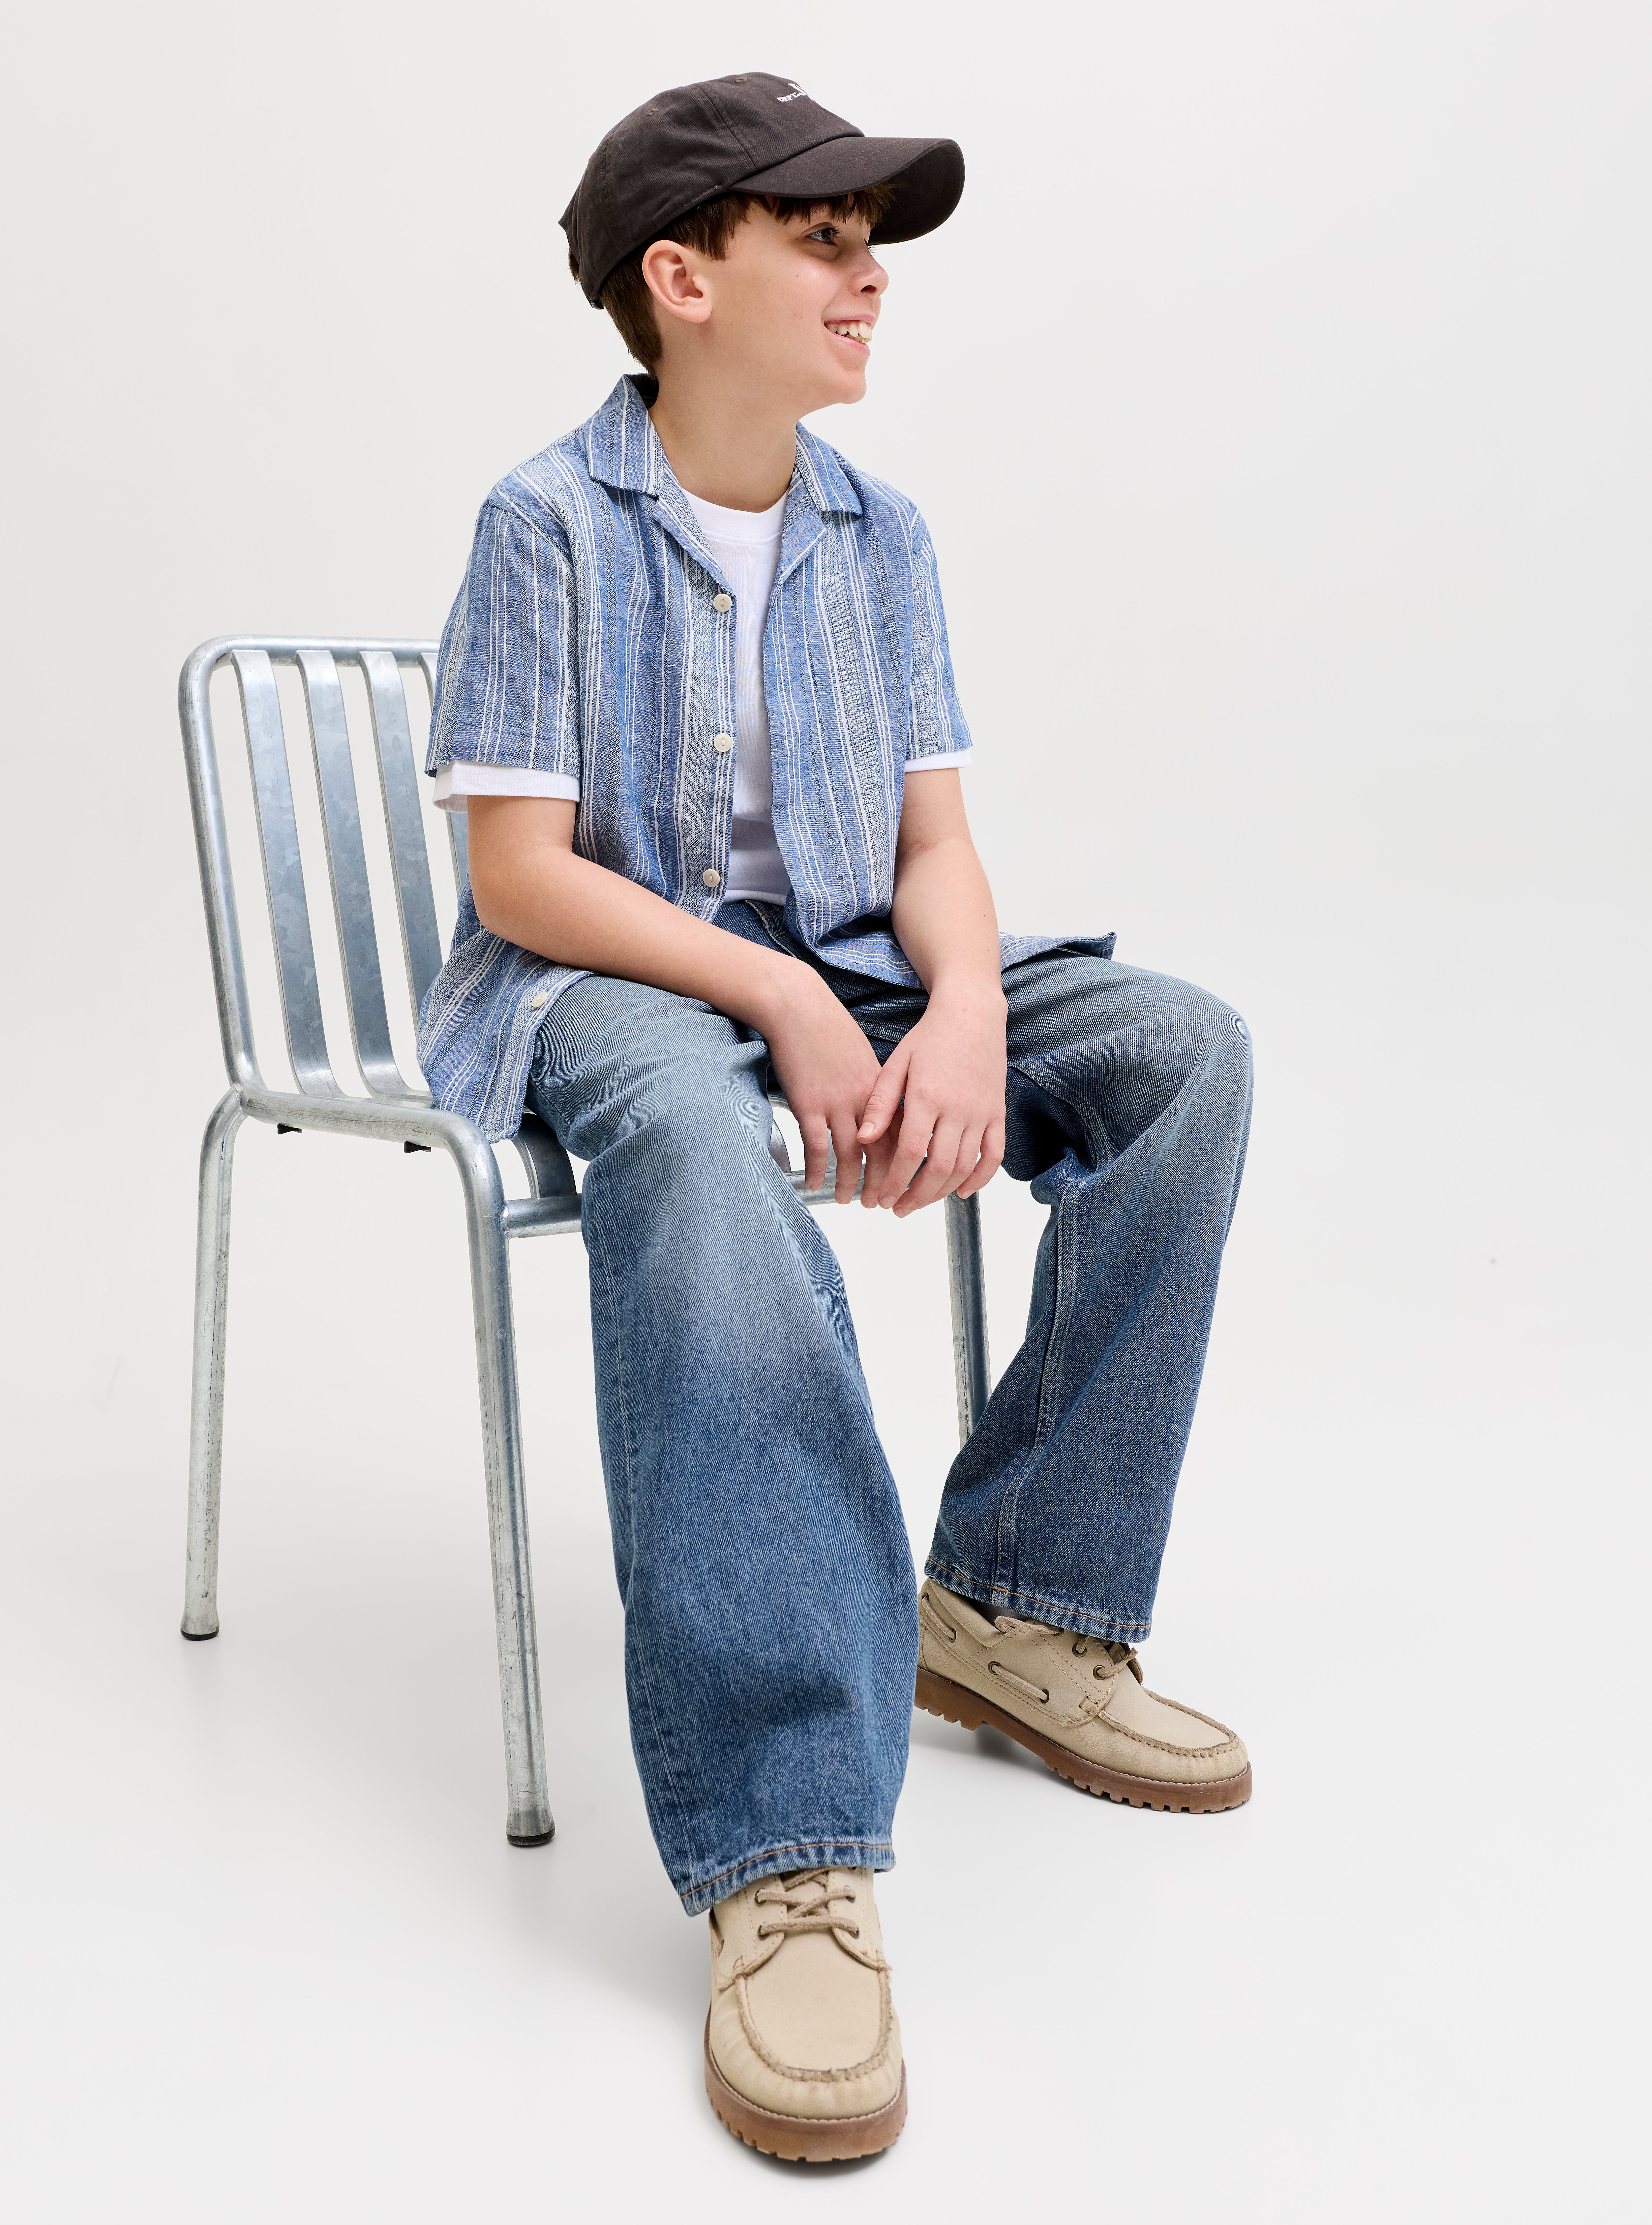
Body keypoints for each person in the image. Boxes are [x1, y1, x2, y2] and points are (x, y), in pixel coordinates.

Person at [418, 72, 1255, 2162]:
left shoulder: (883, 536)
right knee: (700, 1153)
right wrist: (783, 996)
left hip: (865, 961)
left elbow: (932, 844)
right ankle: (787, 1838)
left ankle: (1020, 1606)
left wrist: (955, 1010)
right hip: (615, 982)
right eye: (822, 239)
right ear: (683, 280)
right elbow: (519, 879)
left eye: (873, 242)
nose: (869, 278)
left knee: (1179, 1053)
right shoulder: (545, 523)